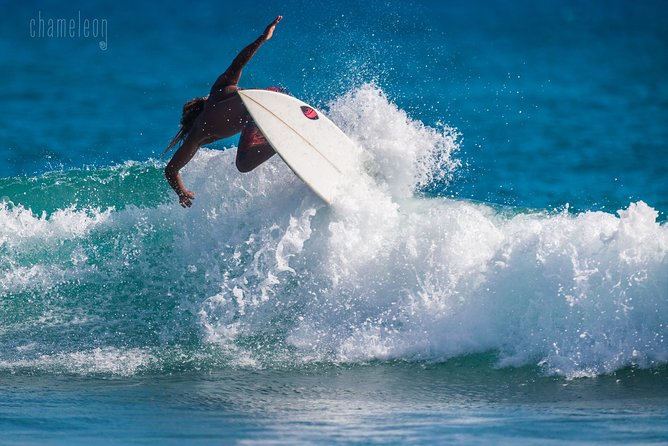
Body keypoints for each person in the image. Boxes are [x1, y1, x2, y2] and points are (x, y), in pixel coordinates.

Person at [164, 16, 283, 208]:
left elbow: (170, 170)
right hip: (276, 96)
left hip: (261, 114)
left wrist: (182, 193)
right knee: (249, 146)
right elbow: (239, 62)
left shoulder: (198, 134)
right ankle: (283, 138)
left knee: (243, 165)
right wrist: (262, 38)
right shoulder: (220, 90)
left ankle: (279, 143)